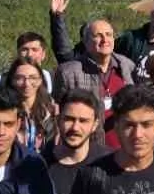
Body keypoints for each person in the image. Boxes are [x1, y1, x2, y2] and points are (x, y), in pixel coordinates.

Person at [53, 16, 138, 150]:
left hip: (124, 149)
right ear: (86, 42)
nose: (105, 40)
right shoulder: (69, 73)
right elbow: (57, 111)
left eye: (108, 35)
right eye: (98, 35)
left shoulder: (127, 66)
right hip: (87, 149)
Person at [42, 92, 110, 194]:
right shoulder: (40, 167)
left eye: (83, 121)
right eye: (69, 119)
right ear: (58, 120)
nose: (75, 128)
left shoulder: (109, 163)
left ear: (95, 125)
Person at [5, 57, 58, 152]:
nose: (26, 84)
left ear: (40, 80)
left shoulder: (52, 110)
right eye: (20, 78)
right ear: (12, 80)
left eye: (33, 78)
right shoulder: (4, 110)